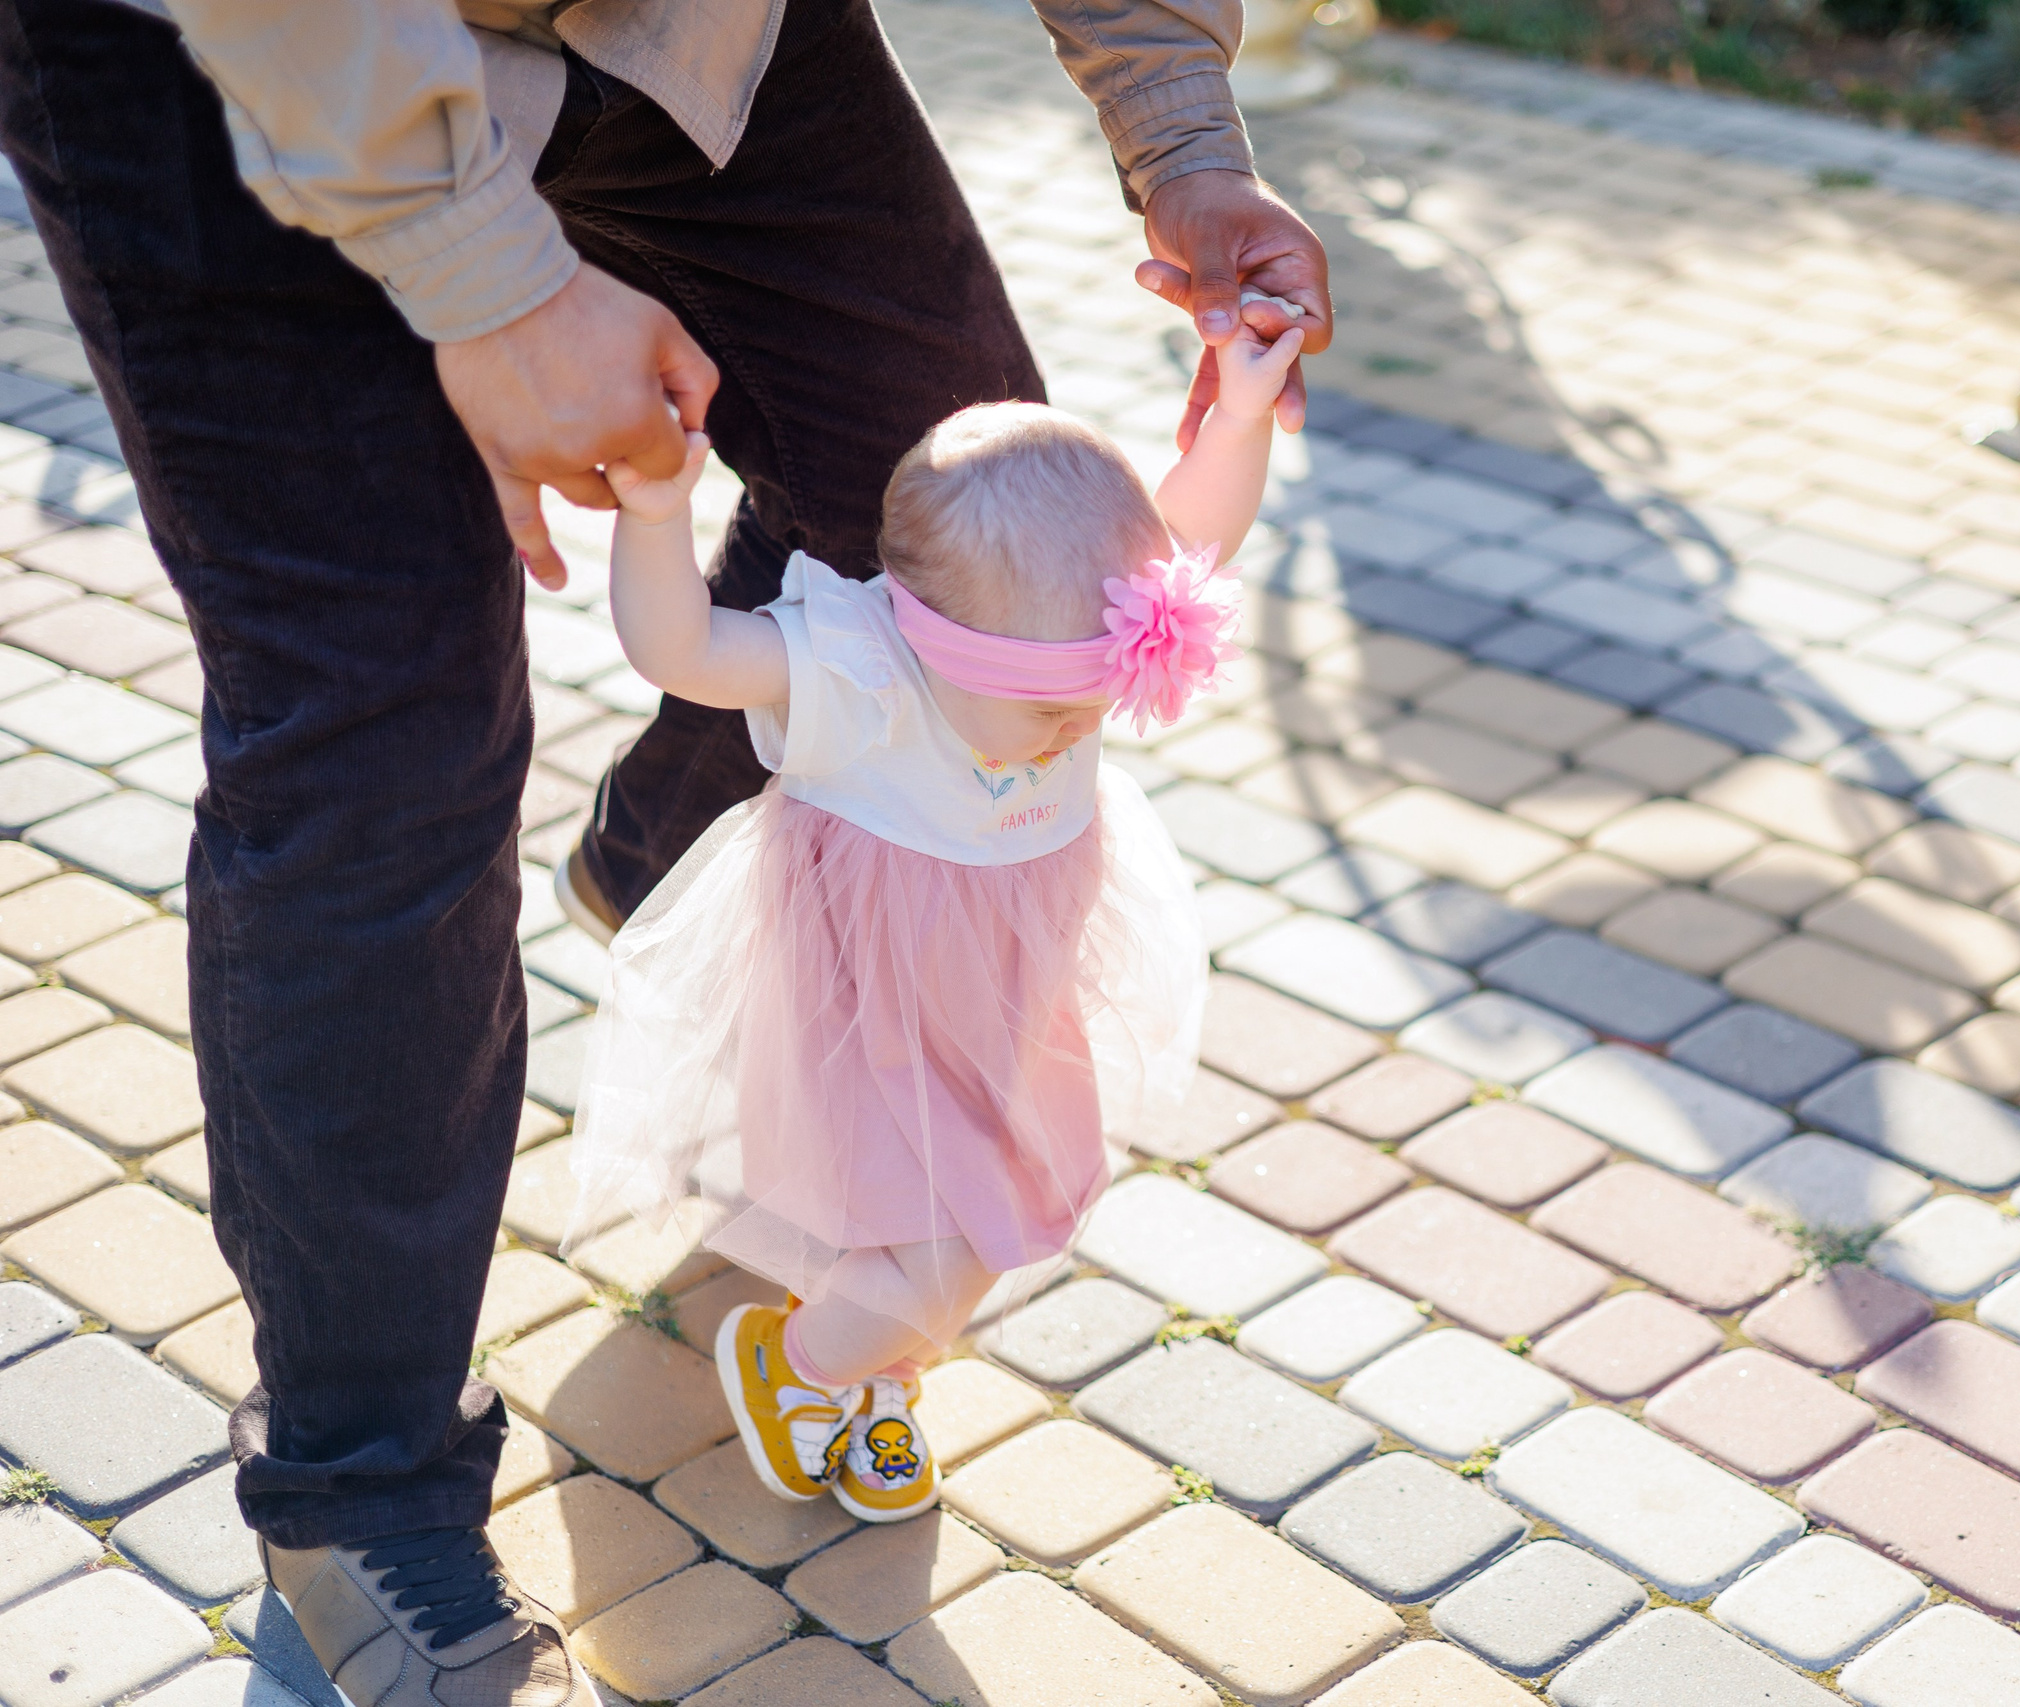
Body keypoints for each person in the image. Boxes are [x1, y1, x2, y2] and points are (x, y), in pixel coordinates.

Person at [0, 1, 1327, 1702]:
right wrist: (482, 272)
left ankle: (676, 861)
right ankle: (359, 1487)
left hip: (693, 26)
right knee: (386, 729)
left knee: (965, 503)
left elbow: (1139, 543)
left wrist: (1187, 141)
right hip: (241, 44)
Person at [567, 313, 1300, 1528]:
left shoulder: (1071, 628)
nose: (1079, 731)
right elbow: (685, 649)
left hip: (1015, 983)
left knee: (965, 1205)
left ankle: (878, 1365)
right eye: (1046, 710)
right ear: (931, 640)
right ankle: (802, 1361)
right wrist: (653, 515)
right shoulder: (859, 671)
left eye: (1090, 700)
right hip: (876, 991)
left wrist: (1238, 411)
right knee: (953, 1224)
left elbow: (1203, 533)